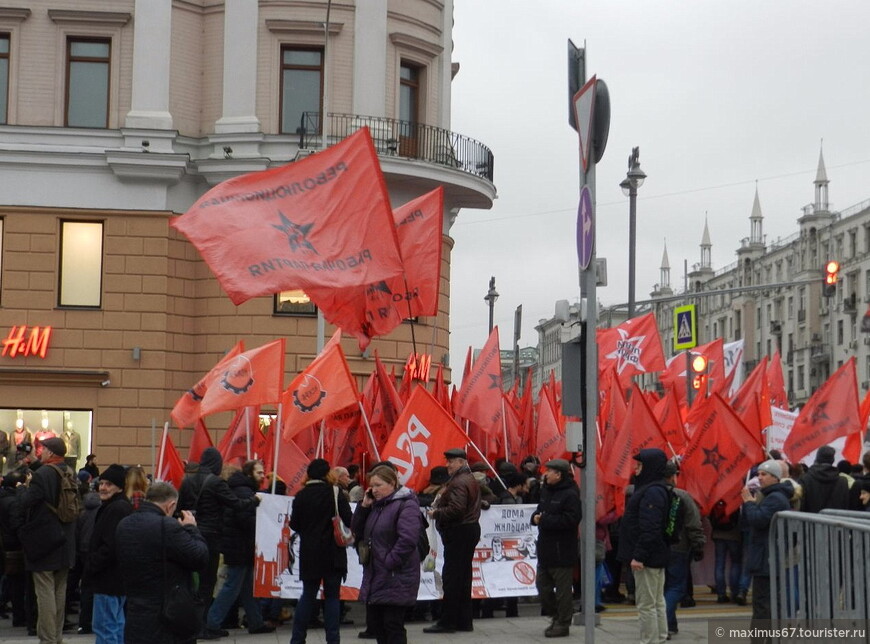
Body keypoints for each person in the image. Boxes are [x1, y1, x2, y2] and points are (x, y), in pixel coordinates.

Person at [116, 481, 209, 644]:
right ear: (170, 505)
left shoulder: (125, 524)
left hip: (135, 612)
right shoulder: (167, 526)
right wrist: (191, 529)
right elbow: (199, 557)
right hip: (166, 614)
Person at [177, 446, 259, 632]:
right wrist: (254, 501)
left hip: (190, 534)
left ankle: (191, 624)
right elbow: (236, 504)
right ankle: (203, 627)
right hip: (211, 536)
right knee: (207, 583)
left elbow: (179, 508)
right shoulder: (216, 482)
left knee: (192, 583)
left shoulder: (187, 481)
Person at [202, 460, 274, 638]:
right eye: (259, 472)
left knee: (247, 587)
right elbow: (244, 519)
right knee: (232, 587)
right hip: (240, 547)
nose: (262, 475)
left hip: (241, 546)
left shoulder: (243, 489)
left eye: (263, 472)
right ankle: (212, 623)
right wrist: (265, 525)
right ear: (249, 474)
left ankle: (256, 622)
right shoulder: (244, 491)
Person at [352, 464, 422, 644]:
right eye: (372, 486)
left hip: (395, 575)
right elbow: (357, 531)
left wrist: (389, 562)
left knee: (392, 625)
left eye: (378, 485)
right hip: (377, 574)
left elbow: (407, 539)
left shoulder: (406, 505)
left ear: (392, 483)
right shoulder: (376, 506)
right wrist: (364, 507)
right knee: (378, 625)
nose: (374, 490)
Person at [18, 436, 77, 644]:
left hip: (45, 540)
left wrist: (21, 488)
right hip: (65, 539)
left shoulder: (42, 474)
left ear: (50, 452)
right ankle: (57, 637)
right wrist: (34, 462)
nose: (39, 452)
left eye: (42, 449)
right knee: (59, 591)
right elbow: (51, 484)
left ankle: (48, 639)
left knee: (44, 592)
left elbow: (27, 501)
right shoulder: (69, 471)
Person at [289, 458, 352, 644]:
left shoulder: (301, 495)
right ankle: (333, 639)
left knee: (308, 595)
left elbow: (295, 524)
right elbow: (349, 519)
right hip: (333, 553)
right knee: (332, 597)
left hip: (309, 553)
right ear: (328, 474)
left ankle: (297, 638)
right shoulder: (335, 492)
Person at [424, 448, 482, 634]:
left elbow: (457, 509)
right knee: (463, 578)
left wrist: (436, 513)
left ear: (461, 462)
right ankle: (463, 621)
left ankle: (448, 622)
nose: (447, 465)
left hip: (459, 531)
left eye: (451, 461)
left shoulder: (458, 482)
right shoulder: (467, 479)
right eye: (447, 461)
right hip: (467, 530)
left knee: (453, 578)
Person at [617, 448, 670, 644]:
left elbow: (650, 528)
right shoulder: (654, 489)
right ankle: (659, 637)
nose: (635, 469)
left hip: (648, 557)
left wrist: (639, 555)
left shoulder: (651, 492)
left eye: (639, 465)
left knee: (647, 604)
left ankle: (650, 640)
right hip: (654, 555)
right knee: (656, 601)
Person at [740, 459, 793, 637]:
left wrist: (748, 503)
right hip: (766, 557)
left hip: (767, 559)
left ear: (775, 478)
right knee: (766, 603)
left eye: (764, 474)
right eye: (758, 474)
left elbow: (758, 520)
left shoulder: (775, 498)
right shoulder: (772, 496)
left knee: (763, 604)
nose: (759, 478)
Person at [530, 458, 581, 638]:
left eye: (549, 471)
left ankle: (563, 622)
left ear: (558, 474)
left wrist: (544, 520)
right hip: (545, 548)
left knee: (563, 591)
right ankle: (555, 615)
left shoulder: (570, 494)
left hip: (562, 550)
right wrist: (535, 517)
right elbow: (540, 510)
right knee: (542, 587)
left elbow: (571, 520)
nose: (546, 474)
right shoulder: (547, 490)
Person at [86, 464, 133, 644]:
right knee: (116, 625)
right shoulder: (117, 506)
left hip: (108, 579)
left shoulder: (116, 508)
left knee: (106, 627)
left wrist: (92, 564)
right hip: (116, 579)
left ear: (120, 487)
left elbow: (110, 546)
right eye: (102, 483)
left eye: (109, 484)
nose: (103, 487)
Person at [661, 461, 705, 639]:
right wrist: (698, 544)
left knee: (662, 587)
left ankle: (670, 624)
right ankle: (663, 622)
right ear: (673, 476)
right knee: (676, 588)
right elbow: (693, 524)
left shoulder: (649, 493)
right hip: (679, 547)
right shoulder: (683, 496)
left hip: (656, 548)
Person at [799, 445, 860, 512]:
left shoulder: (805, 479)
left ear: (817, 458)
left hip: (809, 520)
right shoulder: (843, 482)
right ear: (833, 460)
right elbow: (845, 505)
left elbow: (801, 506)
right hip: (835, 521)